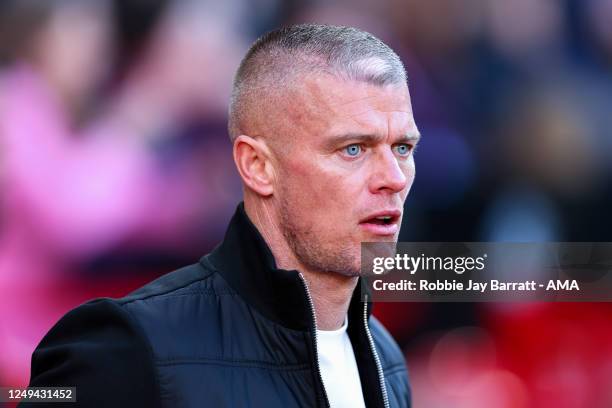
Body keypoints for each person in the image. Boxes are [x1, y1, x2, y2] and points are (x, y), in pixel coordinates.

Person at [21, 24, 420, 408]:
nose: (394, 178)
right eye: (353, 149)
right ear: (258, 166)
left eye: (402, 148)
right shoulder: (130, 345)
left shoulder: (384, 358)